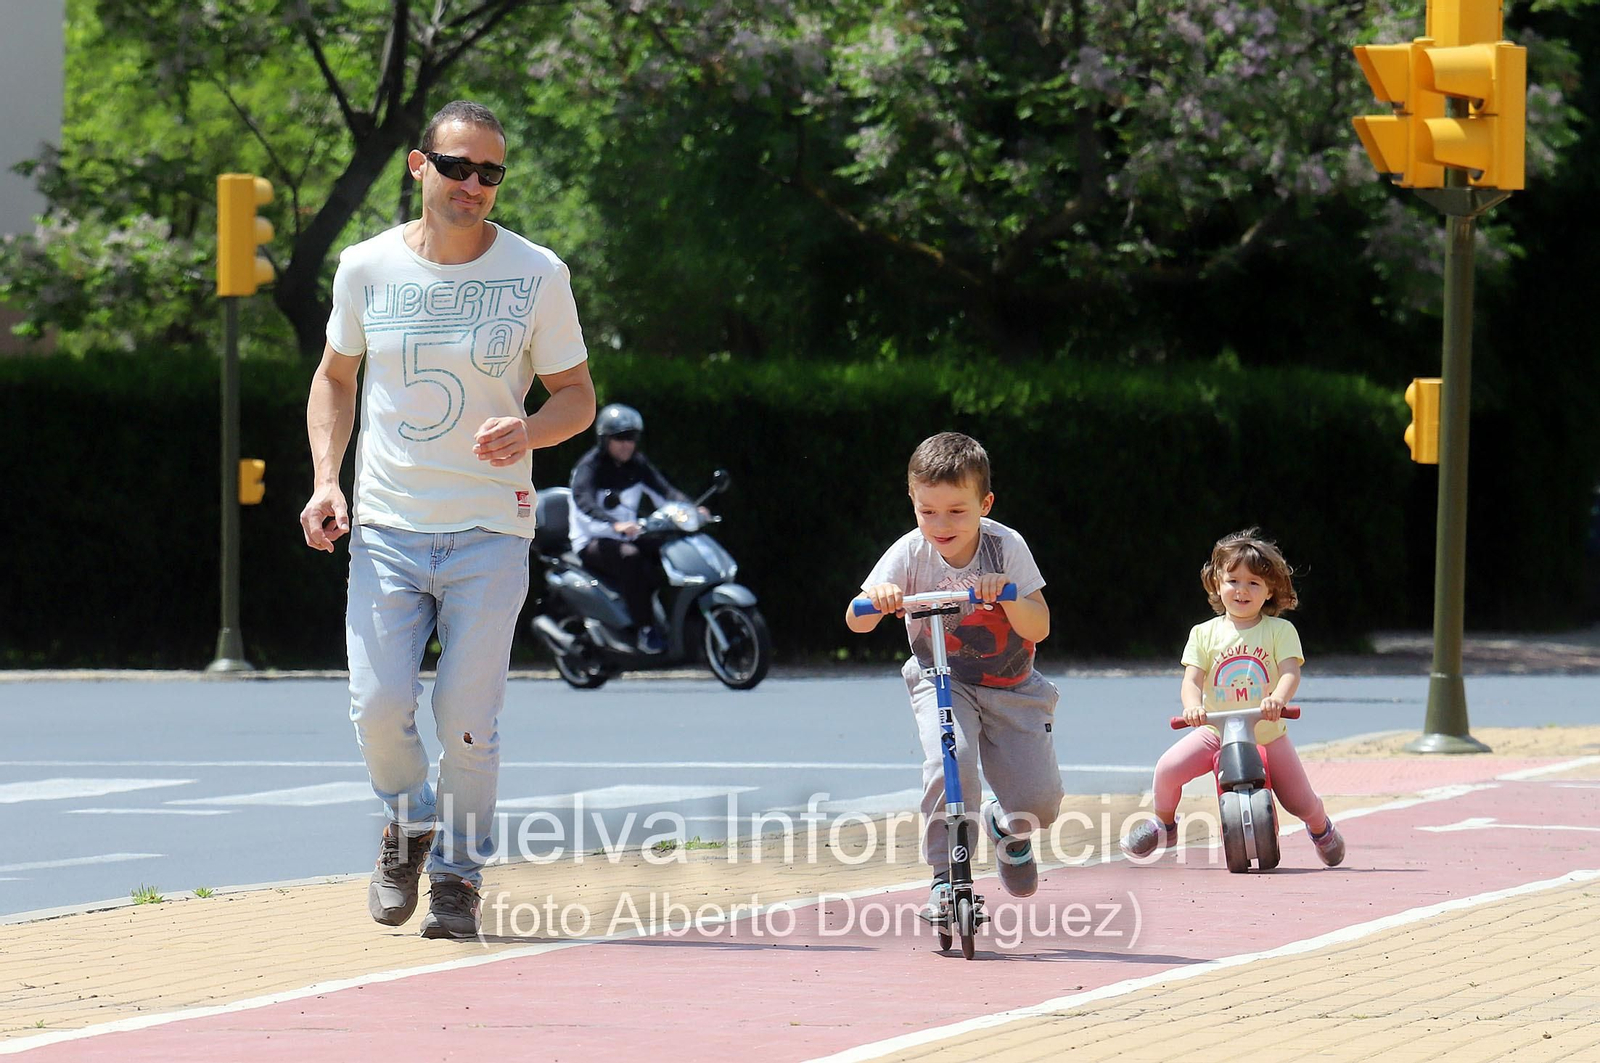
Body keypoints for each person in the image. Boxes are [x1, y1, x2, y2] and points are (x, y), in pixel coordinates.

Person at [298, 100, 596, 939]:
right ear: (418, 164)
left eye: (490, 173)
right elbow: (334, 377)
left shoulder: (538, 273)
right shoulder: (364, 267)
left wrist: (530, 429)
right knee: (377, 703)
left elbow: (577, 397)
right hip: (388, 527)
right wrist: (327, 480)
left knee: (467, 719)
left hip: (490, 531)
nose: (473, 185)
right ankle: (409, 820)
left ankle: (459, 878)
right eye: (458, 167)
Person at [846, 432, 1063, 921]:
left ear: (984, 504)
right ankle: (946, 877)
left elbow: (1040, 626)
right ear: (913, 502)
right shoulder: (909, 553)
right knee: (952, 763)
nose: (940, 525)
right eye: (927, 511)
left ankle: (1007, 828)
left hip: (1012, 686)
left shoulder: (1005, 546)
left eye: (956, 512)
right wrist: (879, 599)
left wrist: (1007, 594)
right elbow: (854, 618)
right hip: (941, 678)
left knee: (1039, 804)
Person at [1119, 529, 1346, 866]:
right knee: (1167, 769)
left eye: (1254, 583)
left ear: (1270, 590)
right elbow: (1192, 679)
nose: (1242, 590)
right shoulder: (1203, 633)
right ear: (1216, 583)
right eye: (1233, 580)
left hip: (1267, 735)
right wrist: (1192, 706)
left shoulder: (1279, 632)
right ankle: (1164, 825)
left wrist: (1278, 699)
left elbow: (1289, 672)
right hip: (1216, 732)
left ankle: (1320, 828)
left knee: (1300, 800)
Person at [567, 403, 699, 654]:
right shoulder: (589, 468)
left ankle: (675, 621)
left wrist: (691, 509)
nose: (627, 444)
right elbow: (583, 504)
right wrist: (613, 524)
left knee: (668, 546)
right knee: (630, 557)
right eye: (620, 438)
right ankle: (645, 630)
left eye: (632, 438)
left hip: (628, 534)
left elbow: (665, 492)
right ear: (605, 440)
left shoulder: (637, 464)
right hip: (593, 540)